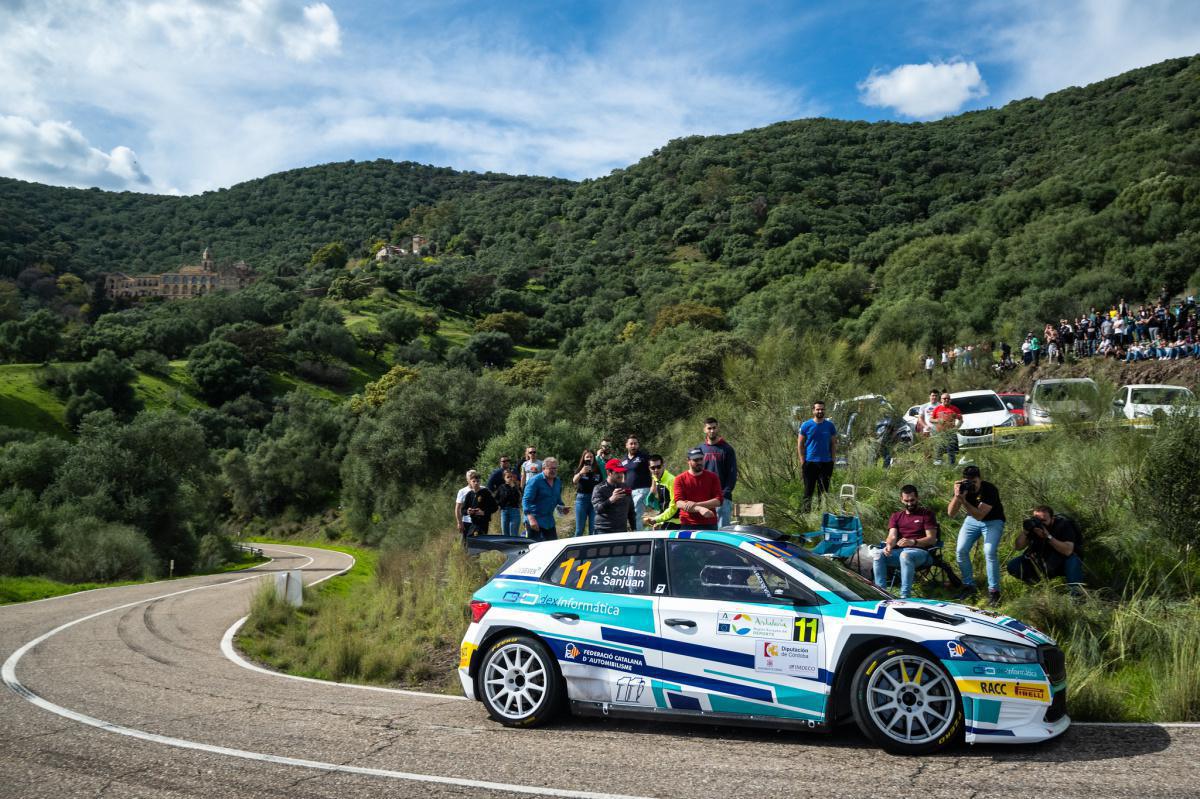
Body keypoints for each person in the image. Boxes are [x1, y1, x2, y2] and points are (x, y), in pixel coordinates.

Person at [949, 465, 1006, 606]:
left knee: (989, 551)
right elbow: (951, 514)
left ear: (980, 479)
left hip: (993, 521)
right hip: (972, 520)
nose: (971, 485)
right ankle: (969, 586)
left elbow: (980, 515)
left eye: (974, 481)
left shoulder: (990, 489)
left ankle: (994, 591)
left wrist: (964, 501)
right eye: (968, 481)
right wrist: (957, 497)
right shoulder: (964, 488)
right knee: (961, 551)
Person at [872, 485, 939, 599]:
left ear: (917, 498)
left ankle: (905, 596)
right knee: (878, 554)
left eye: (912, 500)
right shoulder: (896, 516)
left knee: (905, 555)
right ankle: (881, 593)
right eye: (906, 500)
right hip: (899, 552)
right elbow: (892, 536)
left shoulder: (926, 514)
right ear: (901, 499)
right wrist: (889, 545)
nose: (909, 503)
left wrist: (913, 542)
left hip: (921, 553)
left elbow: (932, 539)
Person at [1007, 505, 1085, 593]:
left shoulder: (1064, 525)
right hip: (1043, 561)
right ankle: (1039, 588)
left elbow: (1068, 551)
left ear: (1052, 518)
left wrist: (1048, 537)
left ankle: (1076, 594)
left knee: (1073, 559)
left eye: (1044, 521)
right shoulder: (1034, 527)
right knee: (1013, 565)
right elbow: (1018, 547)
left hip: (1062, 563)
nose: (1040, 523)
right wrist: (1025, 531)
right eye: (1037, 520)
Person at [797, 401, 837, 511]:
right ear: (813, 410)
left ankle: (822, 515)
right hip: (810, 463)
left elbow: (833, 444)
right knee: (808, 491)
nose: (820, 411)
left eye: (822, 409)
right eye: (818, 409)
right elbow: (800, 444)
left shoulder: (830, 426)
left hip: (826, 463)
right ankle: (806, 515)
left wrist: (832, 461)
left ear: (824, 410)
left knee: (823, 493)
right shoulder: (806, 425)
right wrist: (803, 462)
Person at [698, 417, 738, 528]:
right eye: (709, 428)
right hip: (704, 498)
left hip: (722, 498)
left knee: (722, 533)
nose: (712, 431)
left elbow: (732, 473)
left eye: (714, 428)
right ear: (704, 429)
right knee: (705, 533)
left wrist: (725, 493)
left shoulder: (727, 449)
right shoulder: (700, 449)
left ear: (718, 428)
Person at [673, 447, 723, 530]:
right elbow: (679, 503)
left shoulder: (713, 477)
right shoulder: (679, 479)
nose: (699, 462)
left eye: (701, 459)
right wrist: (700, 509)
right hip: (688, 524)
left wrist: (697, 504)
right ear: (688, 461)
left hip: (709, 523)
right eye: (696, 460)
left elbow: (718, 501)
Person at [522, 456, 567, 541]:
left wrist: (562, 508)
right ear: (543, 468)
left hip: (549, 522)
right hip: (534, 521)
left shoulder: (557, 482)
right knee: (534, 549)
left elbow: (557, 500)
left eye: (555, 468)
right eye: (551, 468)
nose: (554, 471)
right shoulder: (535, 481)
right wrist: (531, 519)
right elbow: (526, 500)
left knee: (553, 547)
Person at [455, 470, 498, 541]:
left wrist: (484, 512)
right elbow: (463, 510)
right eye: (474, 481)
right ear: (470, 482)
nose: (476, 483)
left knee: (476, 540)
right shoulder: (469, 494)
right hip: (473, 522)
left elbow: (495, 507)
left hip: (483, 521)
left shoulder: (485, 492)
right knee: (468, 540)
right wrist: (468, 511)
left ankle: (478, 551)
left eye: (477, 481)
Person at [592, 458, 631, 534]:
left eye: (622, 472)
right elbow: (597, 509)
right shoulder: (599, 488)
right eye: (617, 472)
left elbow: (631, 509)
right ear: (609, 472)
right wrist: (611, 500)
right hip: (603, 530)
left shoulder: (625, 487)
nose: (620, 475)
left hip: (622, 530)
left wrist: (634, 528)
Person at [621, 435, 652, 531]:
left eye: (635, 443)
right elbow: (623, 476)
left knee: (635, 514)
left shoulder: (644, 457)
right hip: (628, 491)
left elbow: (654, 471)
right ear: (626, 445)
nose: (633, 445)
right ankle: (640, 532)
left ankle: (638, 537)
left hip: (642, 490)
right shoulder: (623, 459)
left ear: (638, 445)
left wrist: (653, 487)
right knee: (629, 515)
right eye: (631, 443)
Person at [643, 454, 679, 529]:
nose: (656, 470)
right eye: (653, 468)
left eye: (658, 467)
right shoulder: (656, 478)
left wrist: (657, 519)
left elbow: (673, 507)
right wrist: (660, 522)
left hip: (675, 521)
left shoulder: (671, 481)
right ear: (649, 468)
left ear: (663, 466)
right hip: (666, 519)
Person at [571, 449, 602, 536]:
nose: (589, 458)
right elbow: (574, 481)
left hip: (594, 500)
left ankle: (593, 549)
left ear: (594, 458)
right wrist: (581, 472)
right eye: (587, 457)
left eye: (591, 457)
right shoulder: (580, 469)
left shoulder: (597, 470)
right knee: (579, 529)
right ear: (584, 458)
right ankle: (575, 548)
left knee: (593, 529)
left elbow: (600, 485)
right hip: (582, 500)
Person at [931, 392, 962, 465]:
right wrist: (938, 420)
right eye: (944, 398)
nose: (946, 400)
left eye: (948, 398)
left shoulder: (955, 409)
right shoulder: (937, 409)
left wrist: (956, 428)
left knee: (951, 452)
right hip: (940, 433)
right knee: (938, 450)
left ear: (950, 400)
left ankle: (952, 467)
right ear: (941, 400)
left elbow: (961, 420)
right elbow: (931, 419)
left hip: (951, 433)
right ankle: (938, 466)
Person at [493, 468, 523, 537]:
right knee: (505, 534)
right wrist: (500, 504)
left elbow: (518, 498)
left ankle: (515, 547)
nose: (510, 478)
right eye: (508, 477)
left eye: (511, 476)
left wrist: (513, 487)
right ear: (504, 478)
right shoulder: (501, 487)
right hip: (504, 511)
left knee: (513, 534)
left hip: (514, 511)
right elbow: (496, 499)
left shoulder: (516, 487)